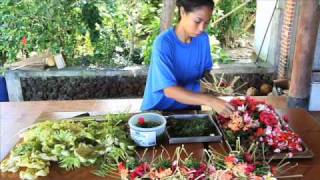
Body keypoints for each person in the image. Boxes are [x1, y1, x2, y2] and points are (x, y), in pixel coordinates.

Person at [141, 0, 234, 117]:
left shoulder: (202, 39)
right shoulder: (164, 43)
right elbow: (169, 90)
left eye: (206, 23)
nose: (201, 28)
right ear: (182, 12)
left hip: (190, 108)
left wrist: (215, 85)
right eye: (197, 21)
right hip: (159, 111)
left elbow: (205, 72)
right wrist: (210, 100)